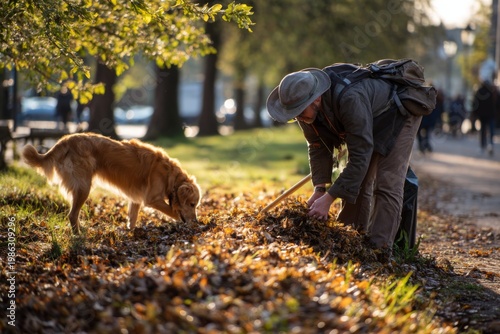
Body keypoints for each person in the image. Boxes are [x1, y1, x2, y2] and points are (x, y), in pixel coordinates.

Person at [266, 67, 423, 259]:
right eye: (293, 114)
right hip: (367, 120)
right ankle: (349, 240)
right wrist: (320, 188)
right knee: (360, 181)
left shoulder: (349, 99)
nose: (297, 117)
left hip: (397, 112)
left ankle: (379, 252)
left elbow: (360, 155)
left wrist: (330, 198)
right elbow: (317, 147)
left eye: (299, 111)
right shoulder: (306, 112)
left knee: (387, 183)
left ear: (316, 99)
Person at [472, 80, 499, 156]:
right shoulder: (493, 92)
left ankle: (483, 146)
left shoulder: (479, 91)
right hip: (491, 114)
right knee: (491, 130)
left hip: (483, 115)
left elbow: (475, 104)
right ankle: (490, 144)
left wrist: (475, 114)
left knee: (483, 131)